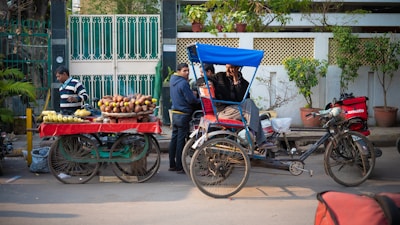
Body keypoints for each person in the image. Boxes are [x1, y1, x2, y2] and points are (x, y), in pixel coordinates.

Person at [208, 64, 272, 152]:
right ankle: (258, 138)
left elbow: (243, 99)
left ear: (237, 68)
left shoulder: (245, 84)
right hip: (223, 111)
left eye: (232, 68)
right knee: (252, 109)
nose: (229, 70)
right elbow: (203, 79)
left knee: (250, 105)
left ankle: (252, 133)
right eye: (228, 68)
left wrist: (236, 81)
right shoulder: (219, 77)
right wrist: (206, 83)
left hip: (237, 111)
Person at [168, 63, 200, 174]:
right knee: (180, 141)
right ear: (179, 71)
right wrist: (199, 100)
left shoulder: (173, 80)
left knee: (174, 139)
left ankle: (172, 164)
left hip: (175, 113)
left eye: (188, 71)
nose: (187, 73)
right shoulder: (183, 83)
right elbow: (191, 100)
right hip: (183, 114)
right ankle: (179, 166)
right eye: (184, 71)